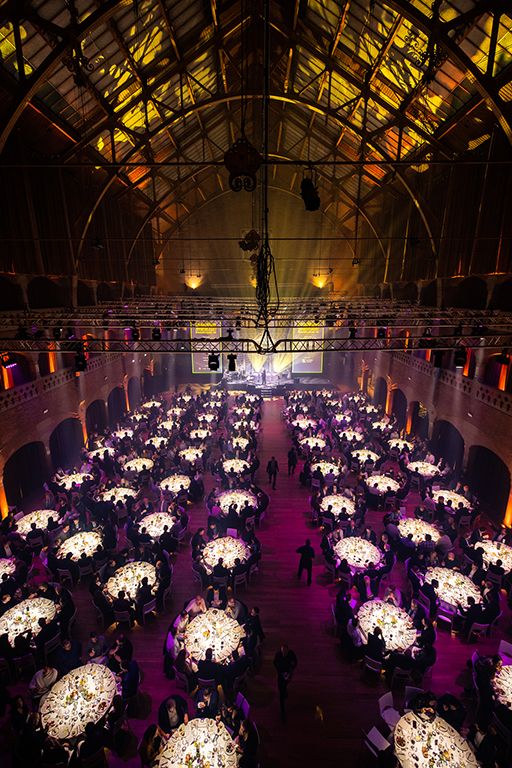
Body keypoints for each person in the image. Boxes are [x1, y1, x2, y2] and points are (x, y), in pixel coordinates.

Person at [273, 643, 298, 722]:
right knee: (281, 691)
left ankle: (285, 692)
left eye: (285, 652)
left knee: (285, 686)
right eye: (282, 651)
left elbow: (296, 662)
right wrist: (279, 671)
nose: (284, 653)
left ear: (287, 651)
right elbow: (274, 663)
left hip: (288, 674)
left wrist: (291, 669)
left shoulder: (291, 654)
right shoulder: (278, 655)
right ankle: (282, 712)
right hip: (281, 675)